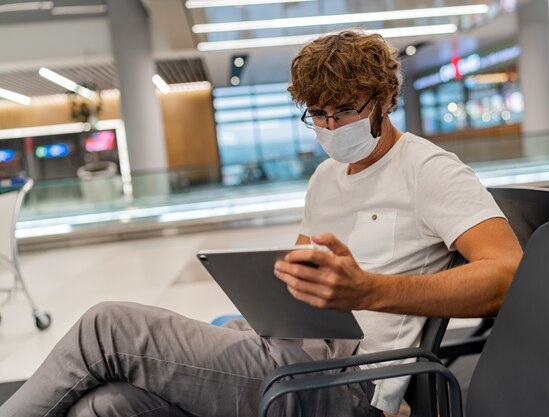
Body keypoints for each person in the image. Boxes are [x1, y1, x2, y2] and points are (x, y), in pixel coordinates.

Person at [0, 30, 522, 417]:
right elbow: (297, 287)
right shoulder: (326, 176)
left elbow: (508, 275)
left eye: (345, 110)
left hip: (347, 385)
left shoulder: (429, 170)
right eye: (317, 114)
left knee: (106, 325)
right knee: (108, 407)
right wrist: (259, 312)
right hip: (294, 354)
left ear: (387, 98)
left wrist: (368, 289)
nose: (331, 126)